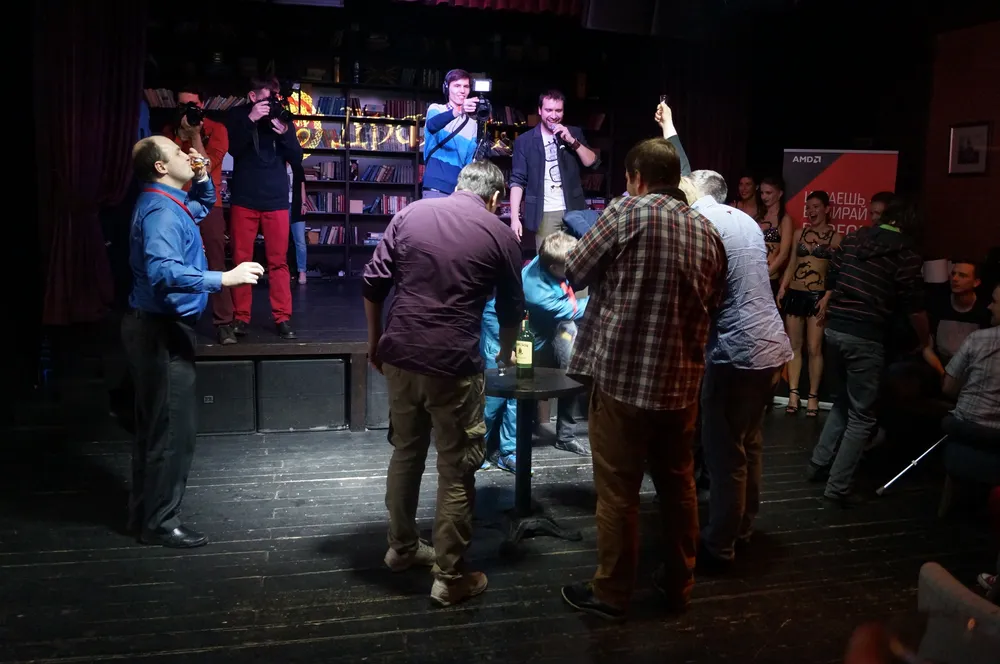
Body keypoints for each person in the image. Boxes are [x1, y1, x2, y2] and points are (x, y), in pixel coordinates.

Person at [559, 138, 727, 621]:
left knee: (618, 492)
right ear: (676, 179)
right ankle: (679, 585)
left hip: (623, 380)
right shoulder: (707, 230)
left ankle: (612, 593)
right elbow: (715, 302)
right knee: (679, 488)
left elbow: (575, 269)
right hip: (681, 385)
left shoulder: (624, 212)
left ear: (635, 177)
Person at [362, 160, 524, 607]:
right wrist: (505, 353)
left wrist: (375, 343)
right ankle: (450, 578)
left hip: (400, 354)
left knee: (406, 451)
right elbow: (511, 309)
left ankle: (401, 549)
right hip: (453, 364)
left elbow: (373, 284)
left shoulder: (410, 213)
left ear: (457, 185)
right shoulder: (499, 234)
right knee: (456, 468)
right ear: (495, 199)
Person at [123, 136, 263, 548]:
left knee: (155, 429)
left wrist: (202, 176)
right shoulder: (161, 214)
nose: (189, 154)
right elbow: (164, 271)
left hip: (154, 326)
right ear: (161, 168)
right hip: (160, 331)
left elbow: (202, 206)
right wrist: (224, 278)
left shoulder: (168, 202)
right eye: (178, 153)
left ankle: (144, 515)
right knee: (171, 434)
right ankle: (160, 523)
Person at [686, 169, 793, 570]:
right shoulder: (744, 220)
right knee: (749, 444)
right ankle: (743, 528)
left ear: (696, 190)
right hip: (772, 345)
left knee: (725, 453)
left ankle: (720, 545)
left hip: (737, 351)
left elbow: (704, 291)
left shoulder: (701, 223)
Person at [808, 199, 932, 506]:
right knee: (862, 416)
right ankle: (838, 487)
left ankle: (818, 464)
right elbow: (914, 306)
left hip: (835, 329)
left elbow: (833, 274)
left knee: (843, 402)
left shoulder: (854, 238)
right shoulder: (906, 253)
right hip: (865, 335)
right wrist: (925, 339)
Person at [480, 231, 590, 473]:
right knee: (494, 400)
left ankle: (509, 452)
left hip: (529, 337)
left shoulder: (548, 258)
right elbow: (581, 308)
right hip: (501, 333)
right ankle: (478, 451)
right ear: (554, 266)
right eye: (571, 263)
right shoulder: (537, 293)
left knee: (517, 398)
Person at [227, 77, 303, 339]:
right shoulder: (238, 116)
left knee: (279, 262)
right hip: (244, 198)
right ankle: (240, 317)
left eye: (275, 98)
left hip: (276, 199)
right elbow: (233, 149)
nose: (272, 103)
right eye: (267, 98)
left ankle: (283, 317)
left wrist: (285, 134)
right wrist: (251, 119)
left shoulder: (282, 119)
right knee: (241, 260)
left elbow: (297, 158)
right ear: (253, 96)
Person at [161, 85, 235, 344]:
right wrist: (180, 134)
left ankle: (224, 323)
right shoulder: (169, 131)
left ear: (202, 105)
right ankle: (177, 320)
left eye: (192, 105)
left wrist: (194, 136)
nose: (188, 110)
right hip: (175, 201)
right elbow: (166, 166)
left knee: (216, 260)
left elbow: (207, 165)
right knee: (175, 261)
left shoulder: (217, 129)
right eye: (183, 106)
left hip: (208, 202)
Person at [777, 191, 843, 417]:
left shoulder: (836, 237)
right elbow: (792, 263)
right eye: (809, 207)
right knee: (794, 346)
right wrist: (783, 287)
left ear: (826, 209)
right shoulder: (799, 233)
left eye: (816, 206)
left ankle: (813, 396)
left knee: (814, 348)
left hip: (818, 296)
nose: (811, 211)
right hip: (796, 293)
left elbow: (837, 272)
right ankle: (793, 394)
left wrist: (827, 297)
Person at [509, 90, 598, 247]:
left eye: (558, 110)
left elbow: (591, 162)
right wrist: (514, 218)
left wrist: (572, 141)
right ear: (540, 110)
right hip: (544, 212)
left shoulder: (574, 133)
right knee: (547, 259)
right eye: (549, 110)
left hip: (574, 209)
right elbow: (517, 180)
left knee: (576, 258)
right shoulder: (525, 141)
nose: (554, 115)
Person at [421, 69, 480, 198]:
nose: (462, 90)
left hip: (459, 189)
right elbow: (432, 125)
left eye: (466, 86)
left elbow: (469, 161)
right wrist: (460, 109)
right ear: (447, 88)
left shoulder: (472, 125)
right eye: (457, 86)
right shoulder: (436, 109)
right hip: (435, 185)